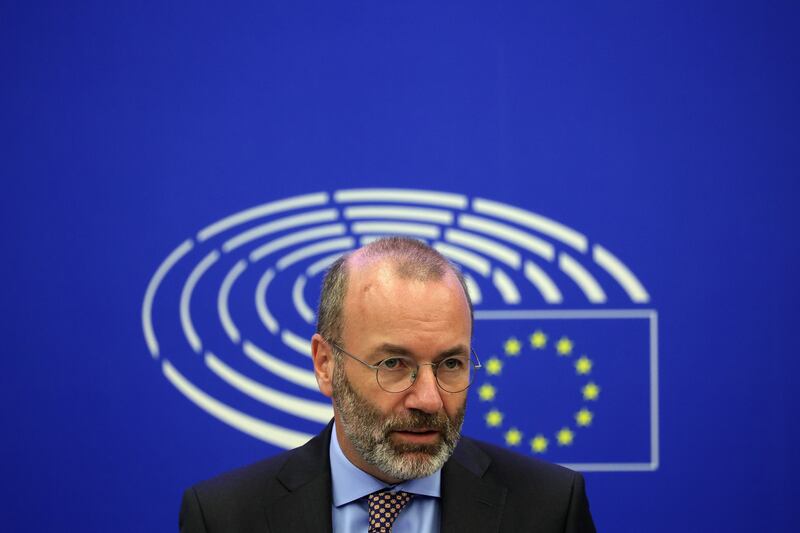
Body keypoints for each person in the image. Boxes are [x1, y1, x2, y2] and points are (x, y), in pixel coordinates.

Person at [179, 237, 596, 532]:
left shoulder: (549, 509)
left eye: (451, 363)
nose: (429, 400)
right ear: (325, 365)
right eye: (394, 364)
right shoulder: (224, 518)